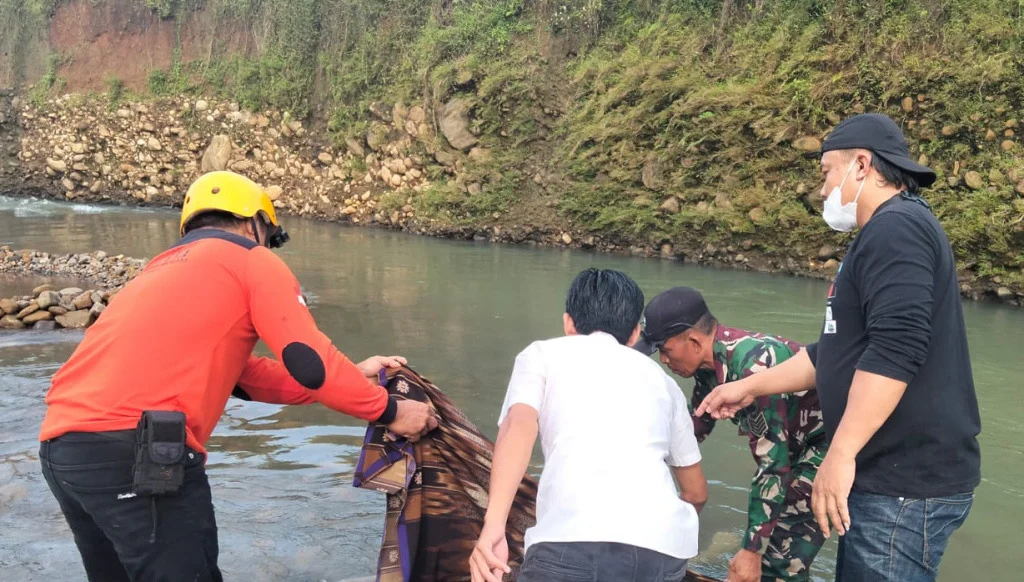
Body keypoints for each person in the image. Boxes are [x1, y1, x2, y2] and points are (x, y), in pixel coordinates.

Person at [37, 170, 437, 582]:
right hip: (135, 453)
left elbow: (243, 377)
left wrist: (350, 378)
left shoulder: (159, 270)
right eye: (271, 236)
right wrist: (389, 411)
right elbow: (310, 360)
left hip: (63, 450)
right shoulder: (251, 259)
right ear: (256, 223)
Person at [696, 114, 981, 582]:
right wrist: (748, 387)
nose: (824, 189)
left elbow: (897, 348)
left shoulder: (897, 230)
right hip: (886, 480)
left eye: (828, 172)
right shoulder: (882, 235)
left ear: (863, 165)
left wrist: (840, 453)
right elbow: (830, 354)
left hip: (904, 485)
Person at [470, 268, 708, 582]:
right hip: (664, 553)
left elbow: (519, 425)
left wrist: (494, 526)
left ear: (568, 323)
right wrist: (656, 534)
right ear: (635, 333)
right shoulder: (665, 384)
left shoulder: (541, 354)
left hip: (571, 544)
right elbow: (696, 493)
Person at [634, 286, 828, 582]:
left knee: (779, 562)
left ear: (694, 341)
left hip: (826, 446)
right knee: (768, 545)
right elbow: (694, 426)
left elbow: (773, 466)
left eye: (665, 349)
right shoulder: (707, 367)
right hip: (793, 447)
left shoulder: (753, 367)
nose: (663, 360)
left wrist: (751, 549)